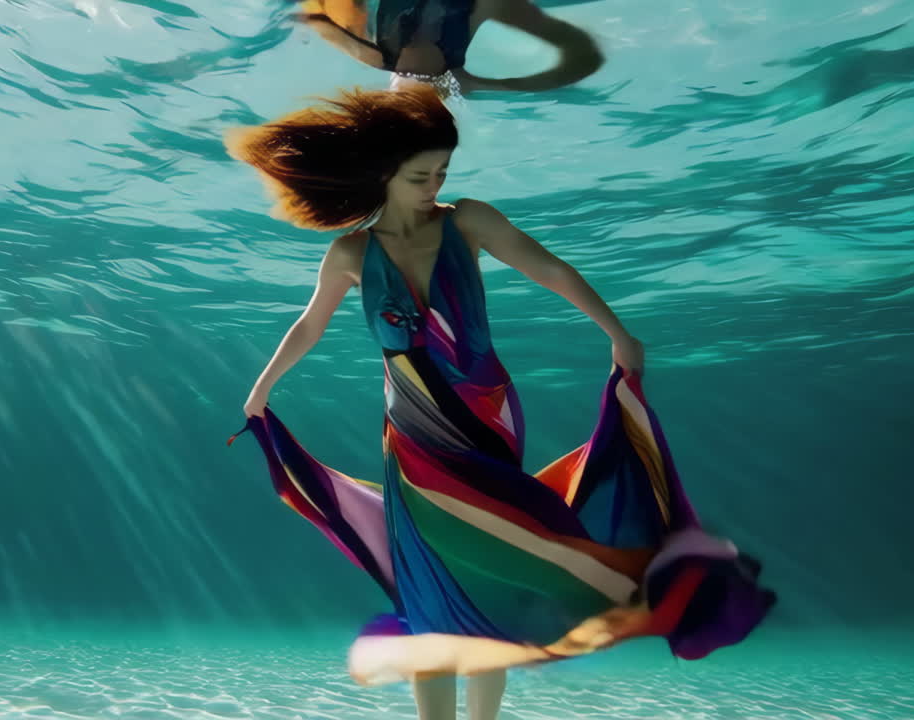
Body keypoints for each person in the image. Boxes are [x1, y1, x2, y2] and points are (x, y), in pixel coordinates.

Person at [225, 86, 775, 720]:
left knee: (500, 557)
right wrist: (262, 388)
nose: (433, 185)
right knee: (428, 578)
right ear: (383, 174)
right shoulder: (352, 253)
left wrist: (616, 332)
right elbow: (309, 325)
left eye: (442, 173)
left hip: (488, 416)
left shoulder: (469, 221)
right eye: (418, 175)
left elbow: (552, 270)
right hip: (409, 430)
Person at [293, 0, 605, 97]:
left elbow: (312, 19)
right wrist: (496, 86)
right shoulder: (482, 6)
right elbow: (586, 55)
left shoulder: (369, 51)